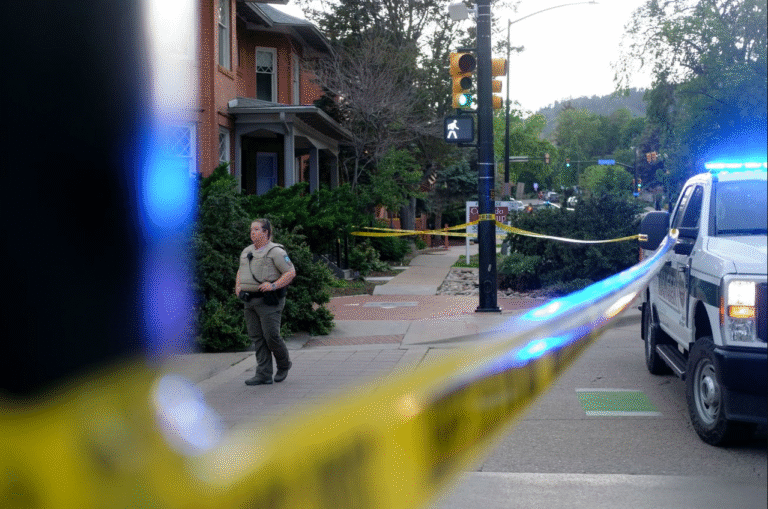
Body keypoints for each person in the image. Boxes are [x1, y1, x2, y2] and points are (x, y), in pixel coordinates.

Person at [235, 219, 296, 385]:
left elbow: (290, 272)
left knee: (271, 336)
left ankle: (284, 364)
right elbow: (241, 270)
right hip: (249, 300)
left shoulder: (275, 251)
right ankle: (263, 374)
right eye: (251, 229)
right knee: (257, 338)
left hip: (269, 301)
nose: (252, 232)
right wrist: (238, 286)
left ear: (266, 232)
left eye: (256, 229)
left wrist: (274, 285)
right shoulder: (246, 251)